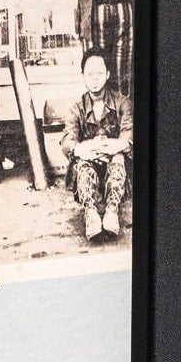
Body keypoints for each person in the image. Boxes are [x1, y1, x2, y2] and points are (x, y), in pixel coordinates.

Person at [58, 50, 132, 243]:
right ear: (83, 76)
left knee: (118, 157)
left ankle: (112, 211)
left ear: (108, 74)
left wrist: (110, 146)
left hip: (116, 169)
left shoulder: (122, 102)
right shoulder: (77, 108)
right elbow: (67, 141)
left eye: (99, 73)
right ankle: (90, 213)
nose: (94, 79)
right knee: (82, 161)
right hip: (88, 168)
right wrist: (84, 149)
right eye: (89, 74)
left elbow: (129, 136)